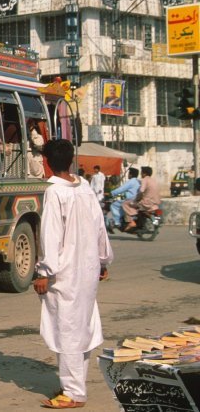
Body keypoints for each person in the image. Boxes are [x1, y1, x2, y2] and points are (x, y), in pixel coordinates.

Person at [34, 139, 113, 409]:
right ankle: (73, 385)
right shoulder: (85, 187)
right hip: (87, 268)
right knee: (82, 327)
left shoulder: (55, 192)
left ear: (46, 162)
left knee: (67, 329)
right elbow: (100, 226)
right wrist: (103, 261)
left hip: (65, 273)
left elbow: (51, 235)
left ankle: (74, 392)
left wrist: (44, 271)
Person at [122, 166, 160, 231]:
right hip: (155, 202)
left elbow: (141, 191)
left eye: (141, 173)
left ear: (144, 173)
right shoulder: (154, 180)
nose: (141, 174)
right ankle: (155, 223)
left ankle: (131, 222)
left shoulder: (144, 180)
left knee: (125, 204)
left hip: (146, 202)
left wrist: (137, 198)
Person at [107, 167, 140, 231]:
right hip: (133, 197)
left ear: (131, 174)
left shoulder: (131, 181)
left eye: (129, 173)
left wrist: (112, 193)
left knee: (113, 204)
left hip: (127, 197)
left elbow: (121, 189)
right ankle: (121, 218)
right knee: (116, 199)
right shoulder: (137, 181)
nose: (128, 175)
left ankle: (117, 222)